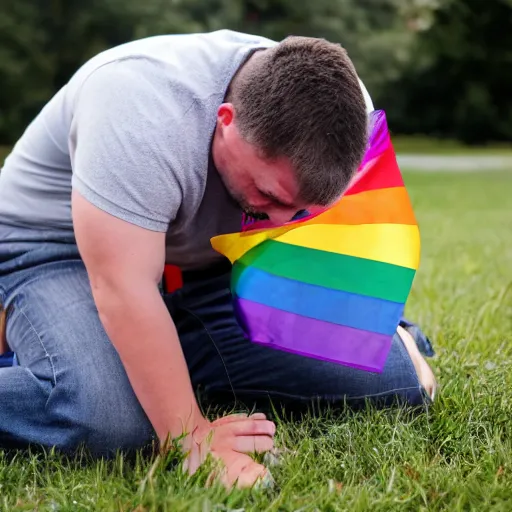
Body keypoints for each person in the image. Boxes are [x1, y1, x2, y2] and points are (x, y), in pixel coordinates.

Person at [0, 30, 436, 488]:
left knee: (392, 376)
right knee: (108, 419)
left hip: (202, 267)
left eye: (303, 210)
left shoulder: (345, 115)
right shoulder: (140, 111)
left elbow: (342, 251)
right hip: (55, 252)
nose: (281, 222)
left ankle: (142, 352)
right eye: (269, 195)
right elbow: (121, 289)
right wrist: (189, 435)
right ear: (226, 119)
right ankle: (79, 354)